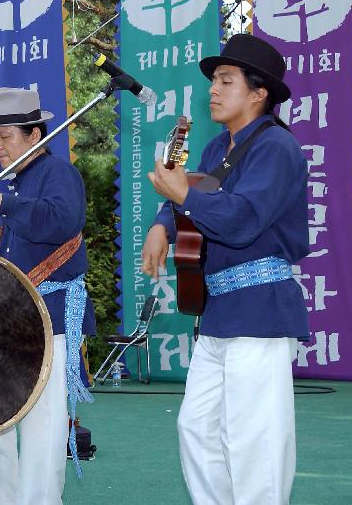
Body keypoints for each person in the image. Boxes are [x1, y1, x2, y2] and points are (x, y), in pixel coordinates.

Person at [141, 33, 310, 505]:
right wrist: (162, 224)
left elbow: (240, 220)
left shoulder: (276, 148)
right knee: (195, 427)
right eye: (214, 80)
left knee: (253, 440)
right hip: (218, 312)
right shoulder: (218, 148)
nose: (213, 90)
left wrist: (181, 200)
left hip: (260, 308)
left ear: (259, 93)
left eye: (225, 80)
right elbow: (197, 190)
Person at [0, 87, 96, 505]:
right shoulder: (15, 181)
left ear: (35, 134)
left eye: (6, 136)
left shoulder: (58, 174)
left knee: (43, 423)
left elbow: (62, 221)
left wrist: (4, 201)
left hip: (50, 313)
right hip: (14, 313)